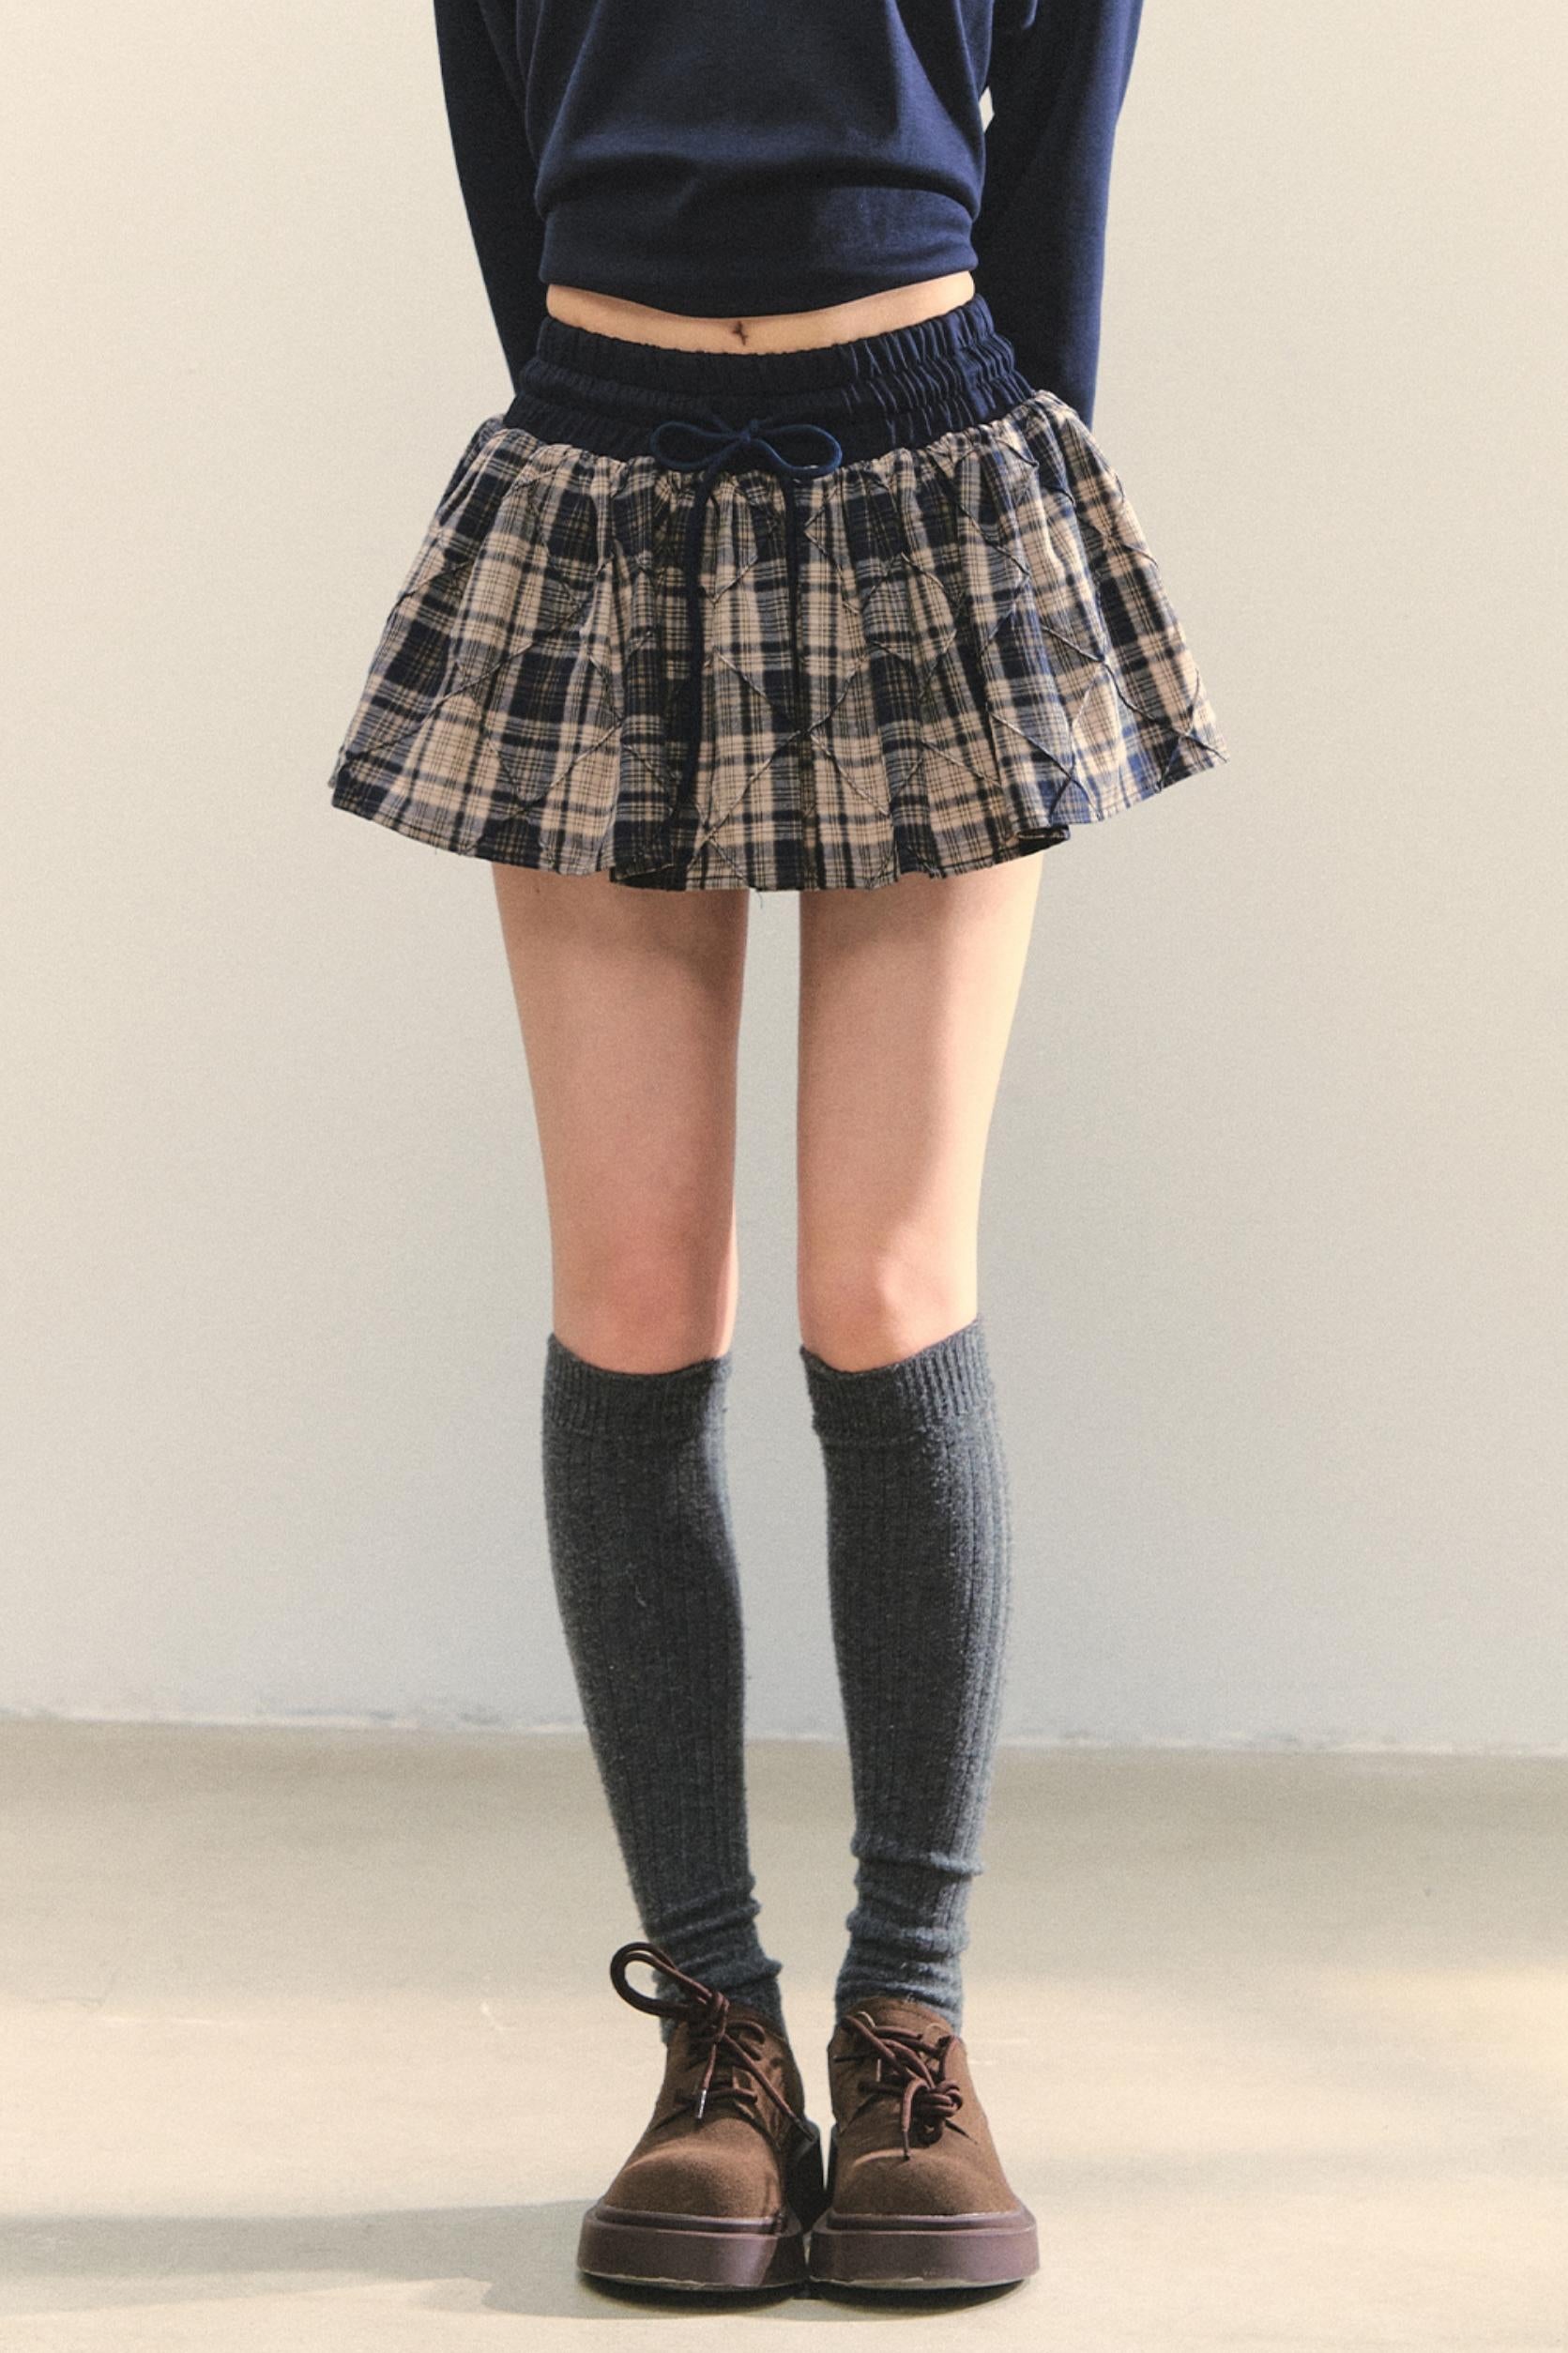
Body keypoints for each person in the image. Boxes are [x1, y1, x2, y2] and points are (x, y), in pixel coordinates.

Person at [326, 0, 1229, 2298]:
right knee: (636, 1294)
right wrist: (585, 426)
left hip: (933, 463)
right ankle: (715, 2042)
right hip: (597, 463)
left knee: (885, 1287)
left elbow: (1060, 156)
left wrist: (1016, 540)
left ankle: (907, 2026)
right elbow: (500, 130)